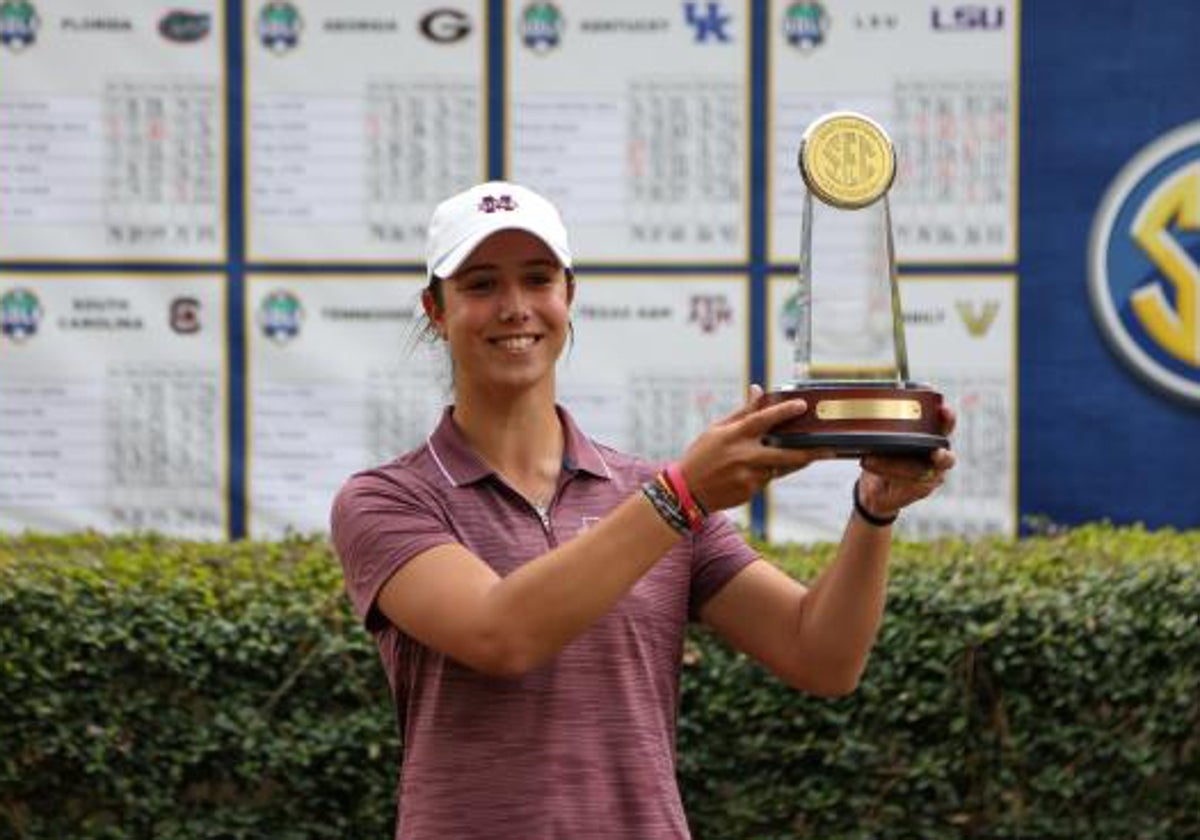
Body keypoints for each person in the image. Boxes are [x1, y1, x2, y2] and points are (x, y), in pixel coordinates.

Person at [330, 181, 955, 840]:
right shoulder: (386, 500)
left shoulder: (650, 493)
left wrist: (873, 513)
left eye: (538, 279)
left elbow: (820, 656)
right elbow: (501, 635)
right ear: (436, 309)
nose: (515, 308)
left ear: (568, 295)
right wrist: (684, 495)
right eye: (481, 285)